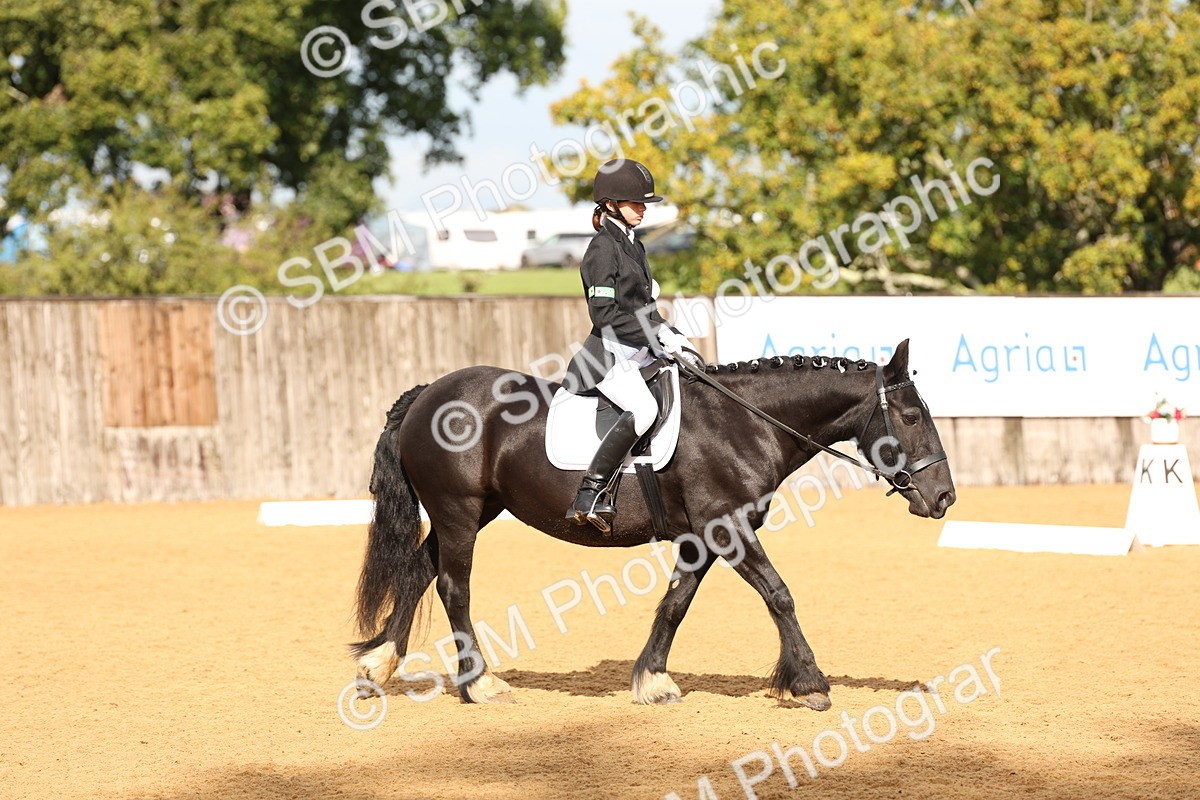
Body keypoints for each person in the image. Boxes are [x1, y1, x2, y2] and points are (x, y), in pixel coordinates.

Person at [563, 158, 701, 531]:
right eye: (636, 203)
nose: (642, 209)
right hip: (606, 357)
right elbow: (604, 316)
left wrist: (673, 337)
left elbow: (644, 310)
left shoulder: (633, 246)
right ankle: (590, 493)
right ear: (611, 204)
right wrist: (657, 336)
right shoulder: (602, 250)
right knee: (642, 410)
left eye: (644, 204)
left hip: (636, 351)